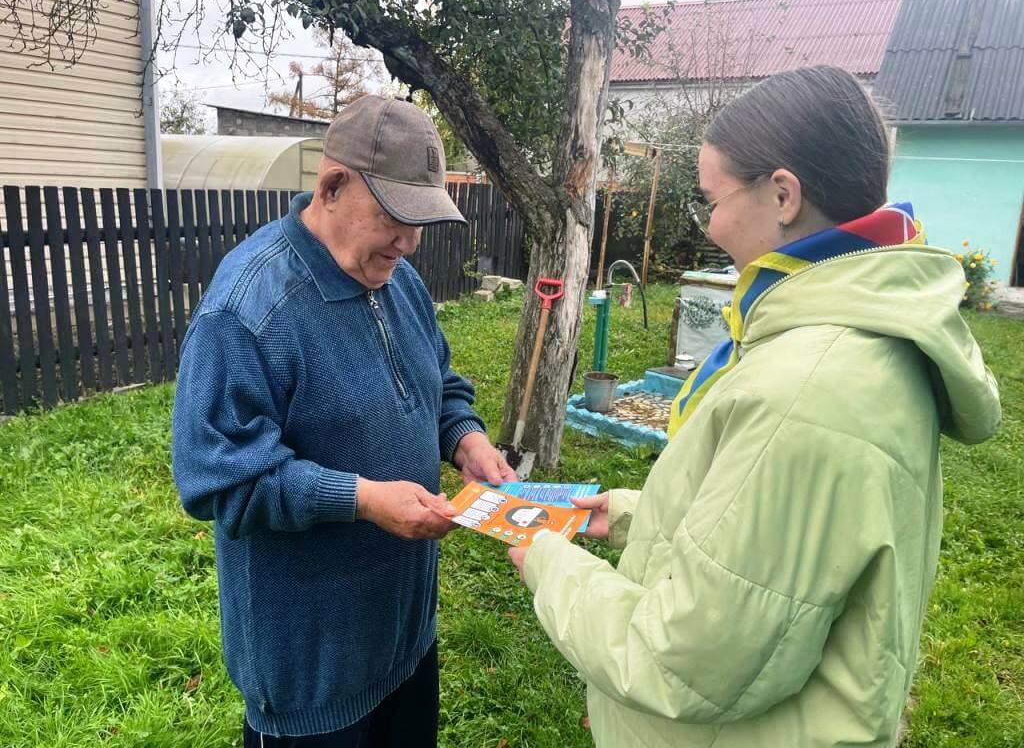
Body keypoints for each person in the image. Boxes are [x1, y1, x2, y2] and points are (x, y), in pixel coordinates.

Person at [509, 65, 1001, 747]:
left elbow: (683, 663)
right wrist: (634, 515)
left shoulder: (809, 388)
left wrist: (546, 559)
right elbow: (784, 544)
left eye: (711, 199)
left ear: (782, 194)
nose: (709, 226)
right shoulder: (860, 335)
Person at [171, 95, 516, 747]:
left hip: (404, 637)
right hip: (311, 674)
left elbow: (436, 379)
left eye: (420, 221)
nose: (410, 242)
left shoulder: (397, 279)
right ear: (332, 185)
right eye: (395, 215)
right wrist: (360, 500)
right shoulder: (248, 309)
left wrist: (464, 436)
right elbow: (218, 482)